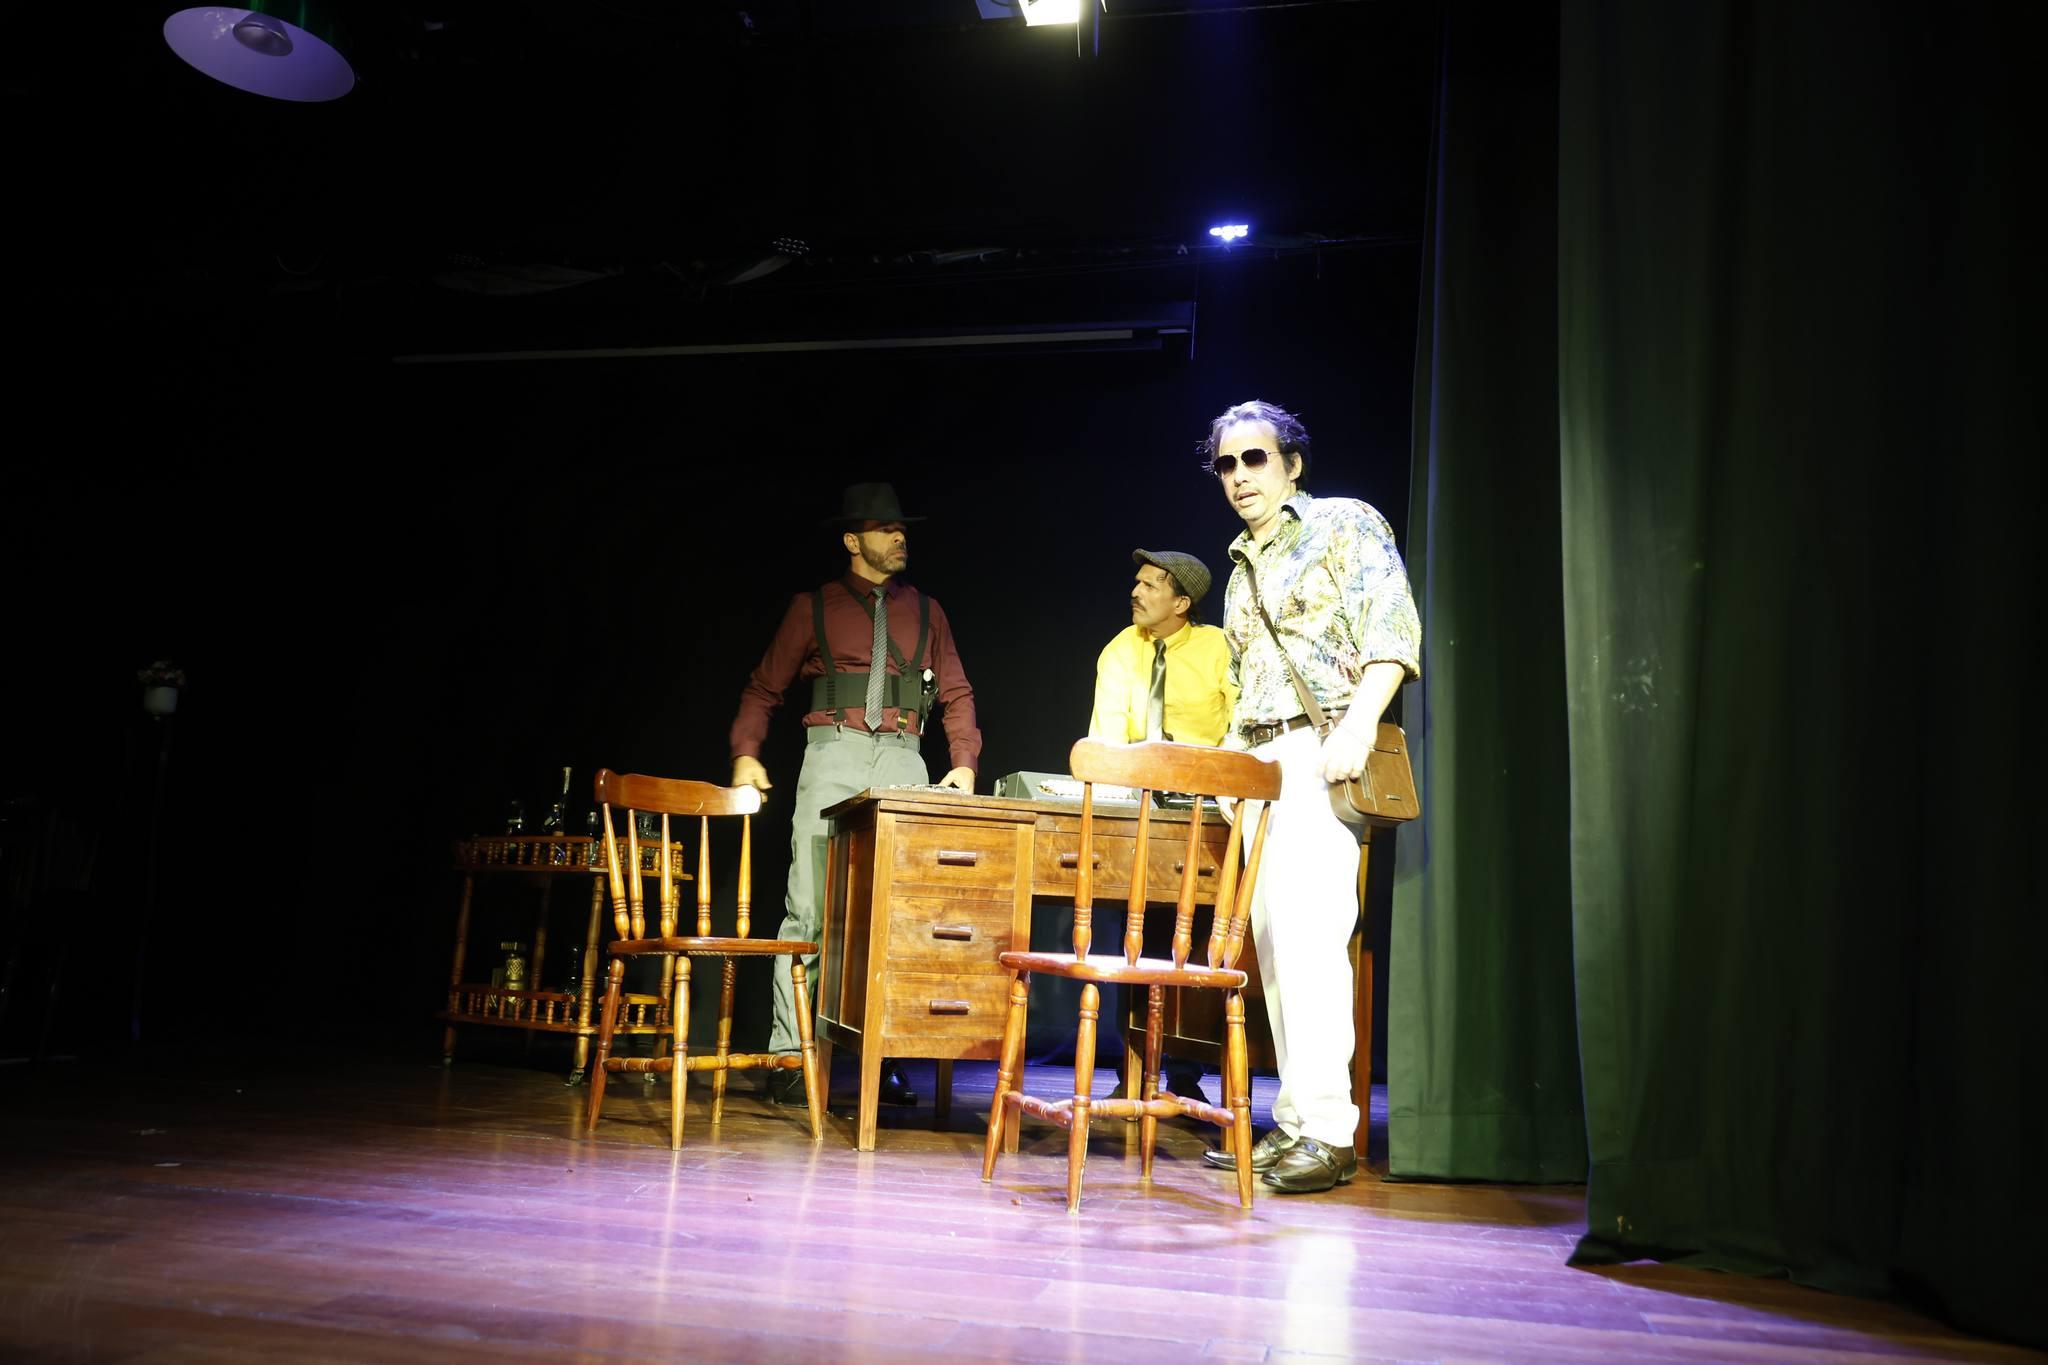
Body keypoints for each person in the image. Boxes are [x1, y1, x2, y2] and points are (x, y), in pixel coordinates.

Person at [1196, 400, 1420, 1193]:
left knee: (1312, 940)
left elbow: (1393, 628)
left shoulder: (1343, 523)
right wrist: (1233, 758)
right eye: (1226, 464)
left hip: (1319, 749)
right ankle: (1295, 1122)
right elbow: (1244, 679)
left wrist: (1358, 725)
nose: (1239, 475)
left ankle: (1327, 1132)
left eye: (1254, 458)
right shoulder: (1239, 570)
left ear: (1291, 465)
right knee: (1275, 947)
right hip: (1260, 761)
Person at [729, 481, 980, 1108]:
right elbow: (764, 688)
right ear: (851, 540)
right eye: (885, 528)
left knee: (895, 917)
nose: (899, 537)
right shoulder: (812, 607)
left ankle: (883, 1057)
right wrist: (746, 752)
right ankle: (791, 1054)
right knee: (809, 911)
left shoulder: (927, 611)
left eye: (902, 529)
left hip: (903, 757)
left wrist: (965, 764)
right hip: (833, 754)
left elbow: (956, 693)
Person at [1084, 548, 1237, 1101]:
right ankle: (1132, 1072)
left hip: (1204, 809)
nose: (1137, 591)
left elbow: (1239, 723)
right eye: (1137, 582)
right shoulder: (1120, 649)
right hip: (1141, 808)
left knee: (1193, 939)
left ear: (1182, 602)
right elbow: (1105, 739)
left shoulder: (1218, 647)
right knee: (1135, 935)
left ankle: (1184, 1074)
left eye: (1151, 585)